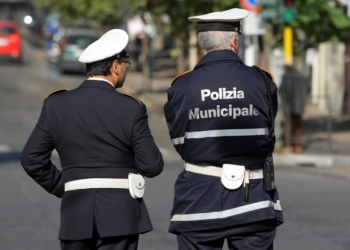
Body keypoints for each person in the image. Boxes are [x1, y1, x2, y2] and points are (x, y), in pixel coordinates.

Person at [20, 29, 164, 250]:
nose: (127, 67)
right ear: (115, 66)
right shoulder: (131, 107)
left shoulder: (56, 104)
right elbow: (152, 166)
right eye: (126, 62)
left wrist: (63, 185)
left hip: (75, 215)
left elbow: (31, 158)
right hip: (121, 219)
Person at [164, 9, 283, 250]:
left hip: (198, 201)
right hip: (254, 203)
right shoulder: (262, 81)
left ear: (202, 44)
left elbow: (179, 141)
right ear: (233, 41)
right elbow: (267, 136)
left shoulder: (181, 86)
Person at [279, 65, 310, 153]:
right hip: (300, 105)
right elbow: (308, 88)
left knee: (288, 125)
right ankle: (298, 146)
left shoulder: (286, 77)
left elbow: (281, 90)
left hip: (289, 105)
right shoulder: (302, 77)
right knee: (298, 126)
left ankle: (288, 146)